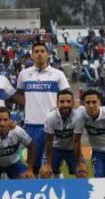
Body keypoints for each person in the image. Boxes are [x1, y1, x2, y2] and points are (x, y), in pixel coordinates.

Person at [16, 42, 70, 176]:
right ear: (32, 55)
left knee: (53, 165)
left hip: (53, 125)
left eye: (42, 51)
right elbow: (19, 95)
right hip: (31, 125)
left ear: (48, 54)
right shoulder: (24, 74)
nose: (39, 54)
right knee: (33, 166)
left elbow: (67, 98)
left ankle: (57, 193)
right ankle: (36, 194)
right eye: (36, 51)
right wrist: (27, 106)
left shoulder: (58, 74)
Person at [41, 89, 87, 179]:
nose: (65, 104)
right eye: (62, 102)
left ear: (73, 103)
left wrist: (80, 163)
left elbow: (76, 142)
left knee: (82, 173)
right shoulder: (50, 117)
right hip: (55, 148)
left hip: (71, 149)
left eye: (68, 101)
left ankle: (79, 192)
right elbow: (49, 141)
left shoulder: (78, 117)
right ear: (57, 103)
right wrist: (48, 164)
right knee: (45, 173)